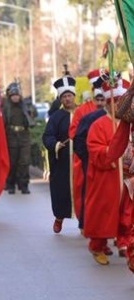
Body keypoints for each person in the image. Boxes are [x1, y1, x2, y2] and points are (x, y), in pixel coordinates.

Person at [84, 78, 131, 265]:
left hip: (127, 176)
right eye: (116, 102)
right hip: (107, 176)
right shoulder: (99, 124)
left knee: (126, 213)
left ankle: (124, 243)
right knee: (103, 212)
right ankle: (97, 245)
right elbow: (94, 148)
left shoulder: (128, 123)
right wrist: (111, 154)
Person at [69, 69, 108, 233]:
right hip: (87, 158)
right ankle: (85, 223)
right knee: (87, 191)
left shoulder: (113, 109)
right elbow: (74, 134)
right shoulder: (82, 111)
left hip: (109, 159)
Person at [43, 75, 77, 233]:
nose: (67, 99)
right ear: (60, 99)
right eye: (64, 96)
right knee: (61, 192)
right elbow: (47, 136)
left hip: (80, 161)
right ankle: (59, 218)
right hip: (62, 162)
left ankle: (84, 223)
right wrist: (56, 144)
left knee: (83, 192)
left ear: (74, 96)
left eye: (69, 95)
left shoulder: (83, 114)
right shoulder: (56, 117)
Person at [2, 82, 34, 194]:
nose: (15, 97)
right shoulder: (6, 107)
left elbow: (32, 116)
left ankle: (24, 184)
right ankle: (11, 184)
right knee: (12, 162)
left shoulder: (25, 105)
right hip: (11, 136)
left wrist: (30, 109)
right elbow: (3, 123)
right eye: (13, 95)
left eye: (17, 95)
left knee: (24, 161)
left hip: (24, 136)